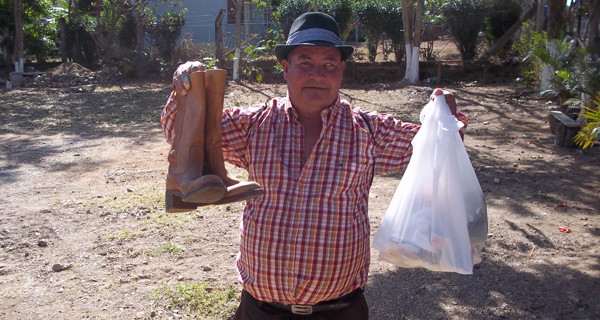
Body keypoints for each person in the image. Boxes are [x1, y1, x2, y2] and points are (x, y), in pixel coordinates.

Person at [161, 12, 467, 320]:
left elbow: (435, 146)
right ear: (285, 69)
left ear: (341, 70)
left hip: (340, 311)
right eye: (305, 62)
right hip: (260, 311)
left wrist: (446, 115)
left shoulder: (369, 131)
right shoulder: (253, 125)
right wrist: (186, 87)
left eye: (329, 64)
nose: (317, 74)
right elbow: (177, 129)